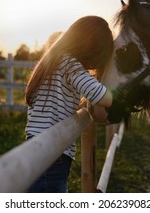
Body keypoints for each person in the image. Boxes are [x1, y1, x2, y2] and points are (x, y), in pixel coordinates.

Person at [25, 15, 113, 193]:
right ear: (90, 46)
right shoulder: (70, 64)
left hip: (35, 146)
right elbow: (104, 98)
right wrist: (113, 91)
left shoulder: (52, 61)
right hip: (53, 152)